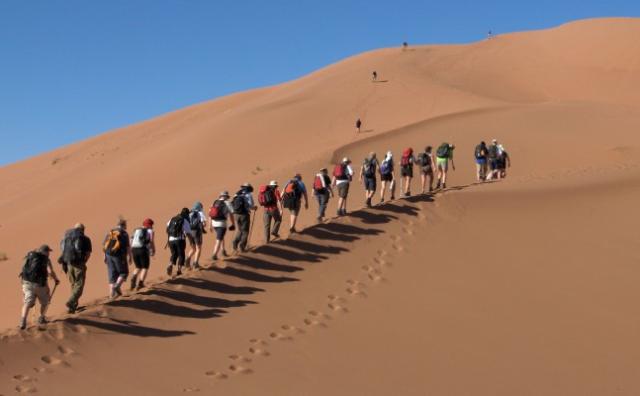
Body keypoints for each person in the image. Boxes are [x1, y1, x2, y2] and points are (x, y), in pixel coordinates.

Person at [19, 245, 60, 330]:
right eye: (48, 251)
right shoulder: (45, 259)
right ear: (44, 252)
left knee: (27, 302)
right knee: (45, 302)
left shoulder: (29, 256)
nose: (49, 253)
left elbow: (23, 269)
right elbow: (50, 271)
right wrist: (56, 279)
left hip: (26, 282)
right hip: (39, 285)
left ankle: (23, 321)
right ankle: (41, 318)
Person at [58, 223, 92, 314]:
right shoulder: (85, 239)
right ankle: (71, 301)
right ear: (83, 229)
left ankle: (72, 307)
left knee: (74, 285)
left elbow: (62, 250)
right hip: (79, 264)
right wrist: (84, 262)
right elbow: (88, 253)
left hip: (68, 264)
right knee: (79, 285)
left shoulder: (66, 238)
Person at [103, 219, 132, 299]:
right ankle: (117, 285)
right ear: (123, 225)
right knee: (123, 272)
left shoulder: (110, 232)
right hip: (119, 256)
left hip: (109, 255)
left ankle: (111, 296)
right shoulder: (124, 234)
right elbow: (128, 247)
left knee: (112, 276)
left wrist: (105, 256)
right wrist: (130, 257)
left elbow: (105, 245)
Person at [209, 191, 236, 261]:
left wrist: (210, 225)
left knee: (221, 237)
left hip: (214, 223)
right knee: (218, 239)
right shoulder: (228, 203)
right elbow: (231, 214)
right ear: (226, 197)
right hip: (222, 224)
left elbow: (210, 214)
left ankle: (223, 251)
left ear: (220, 196)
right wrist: (233, 224)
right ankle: (214, 255)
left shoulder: (215, 202)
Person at [130, 218, 155, 290]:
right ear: (149, 225)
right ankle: (140, 283)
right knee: (145, 267)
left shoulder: (136, 230)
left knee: (138, 267)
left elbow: (131, 240)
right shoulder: (149, 231)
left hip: (134, 249)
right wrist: (152, 251)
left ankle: (133, 277)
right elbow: (151, 242)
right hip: (143, 250)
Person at [232, 183, 257, 253]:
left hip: (236, 215)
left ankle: (235, 243)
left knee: (240, 230)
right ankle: (242, 246)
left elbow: (233, 203)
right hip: (244, 215)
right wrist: (255, 208)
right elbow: (251, 206)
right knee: (245, 231)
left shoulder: (237, 193)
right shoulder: (249, 195)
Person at [166, 208, 191, 276]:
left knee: (174, 254)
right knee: (181, 254)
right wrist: (191, 241)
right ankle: (179, 271)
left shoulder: (173, 218)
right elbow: (188, 232)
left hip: (171, 240)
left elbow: (167, 227)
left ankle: (170, 265)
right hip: (179, 240)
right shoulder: (184, 220)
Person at [186, 202, 206, 269]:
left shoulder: (189, 213)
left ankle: (187, 260)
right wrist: (202, 227)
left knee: (193, 248)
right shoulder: (200, 213)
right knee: (198, 248)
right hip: (197, 232)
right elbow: (204, 223)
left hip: (189, 233)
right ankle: (196, 263)